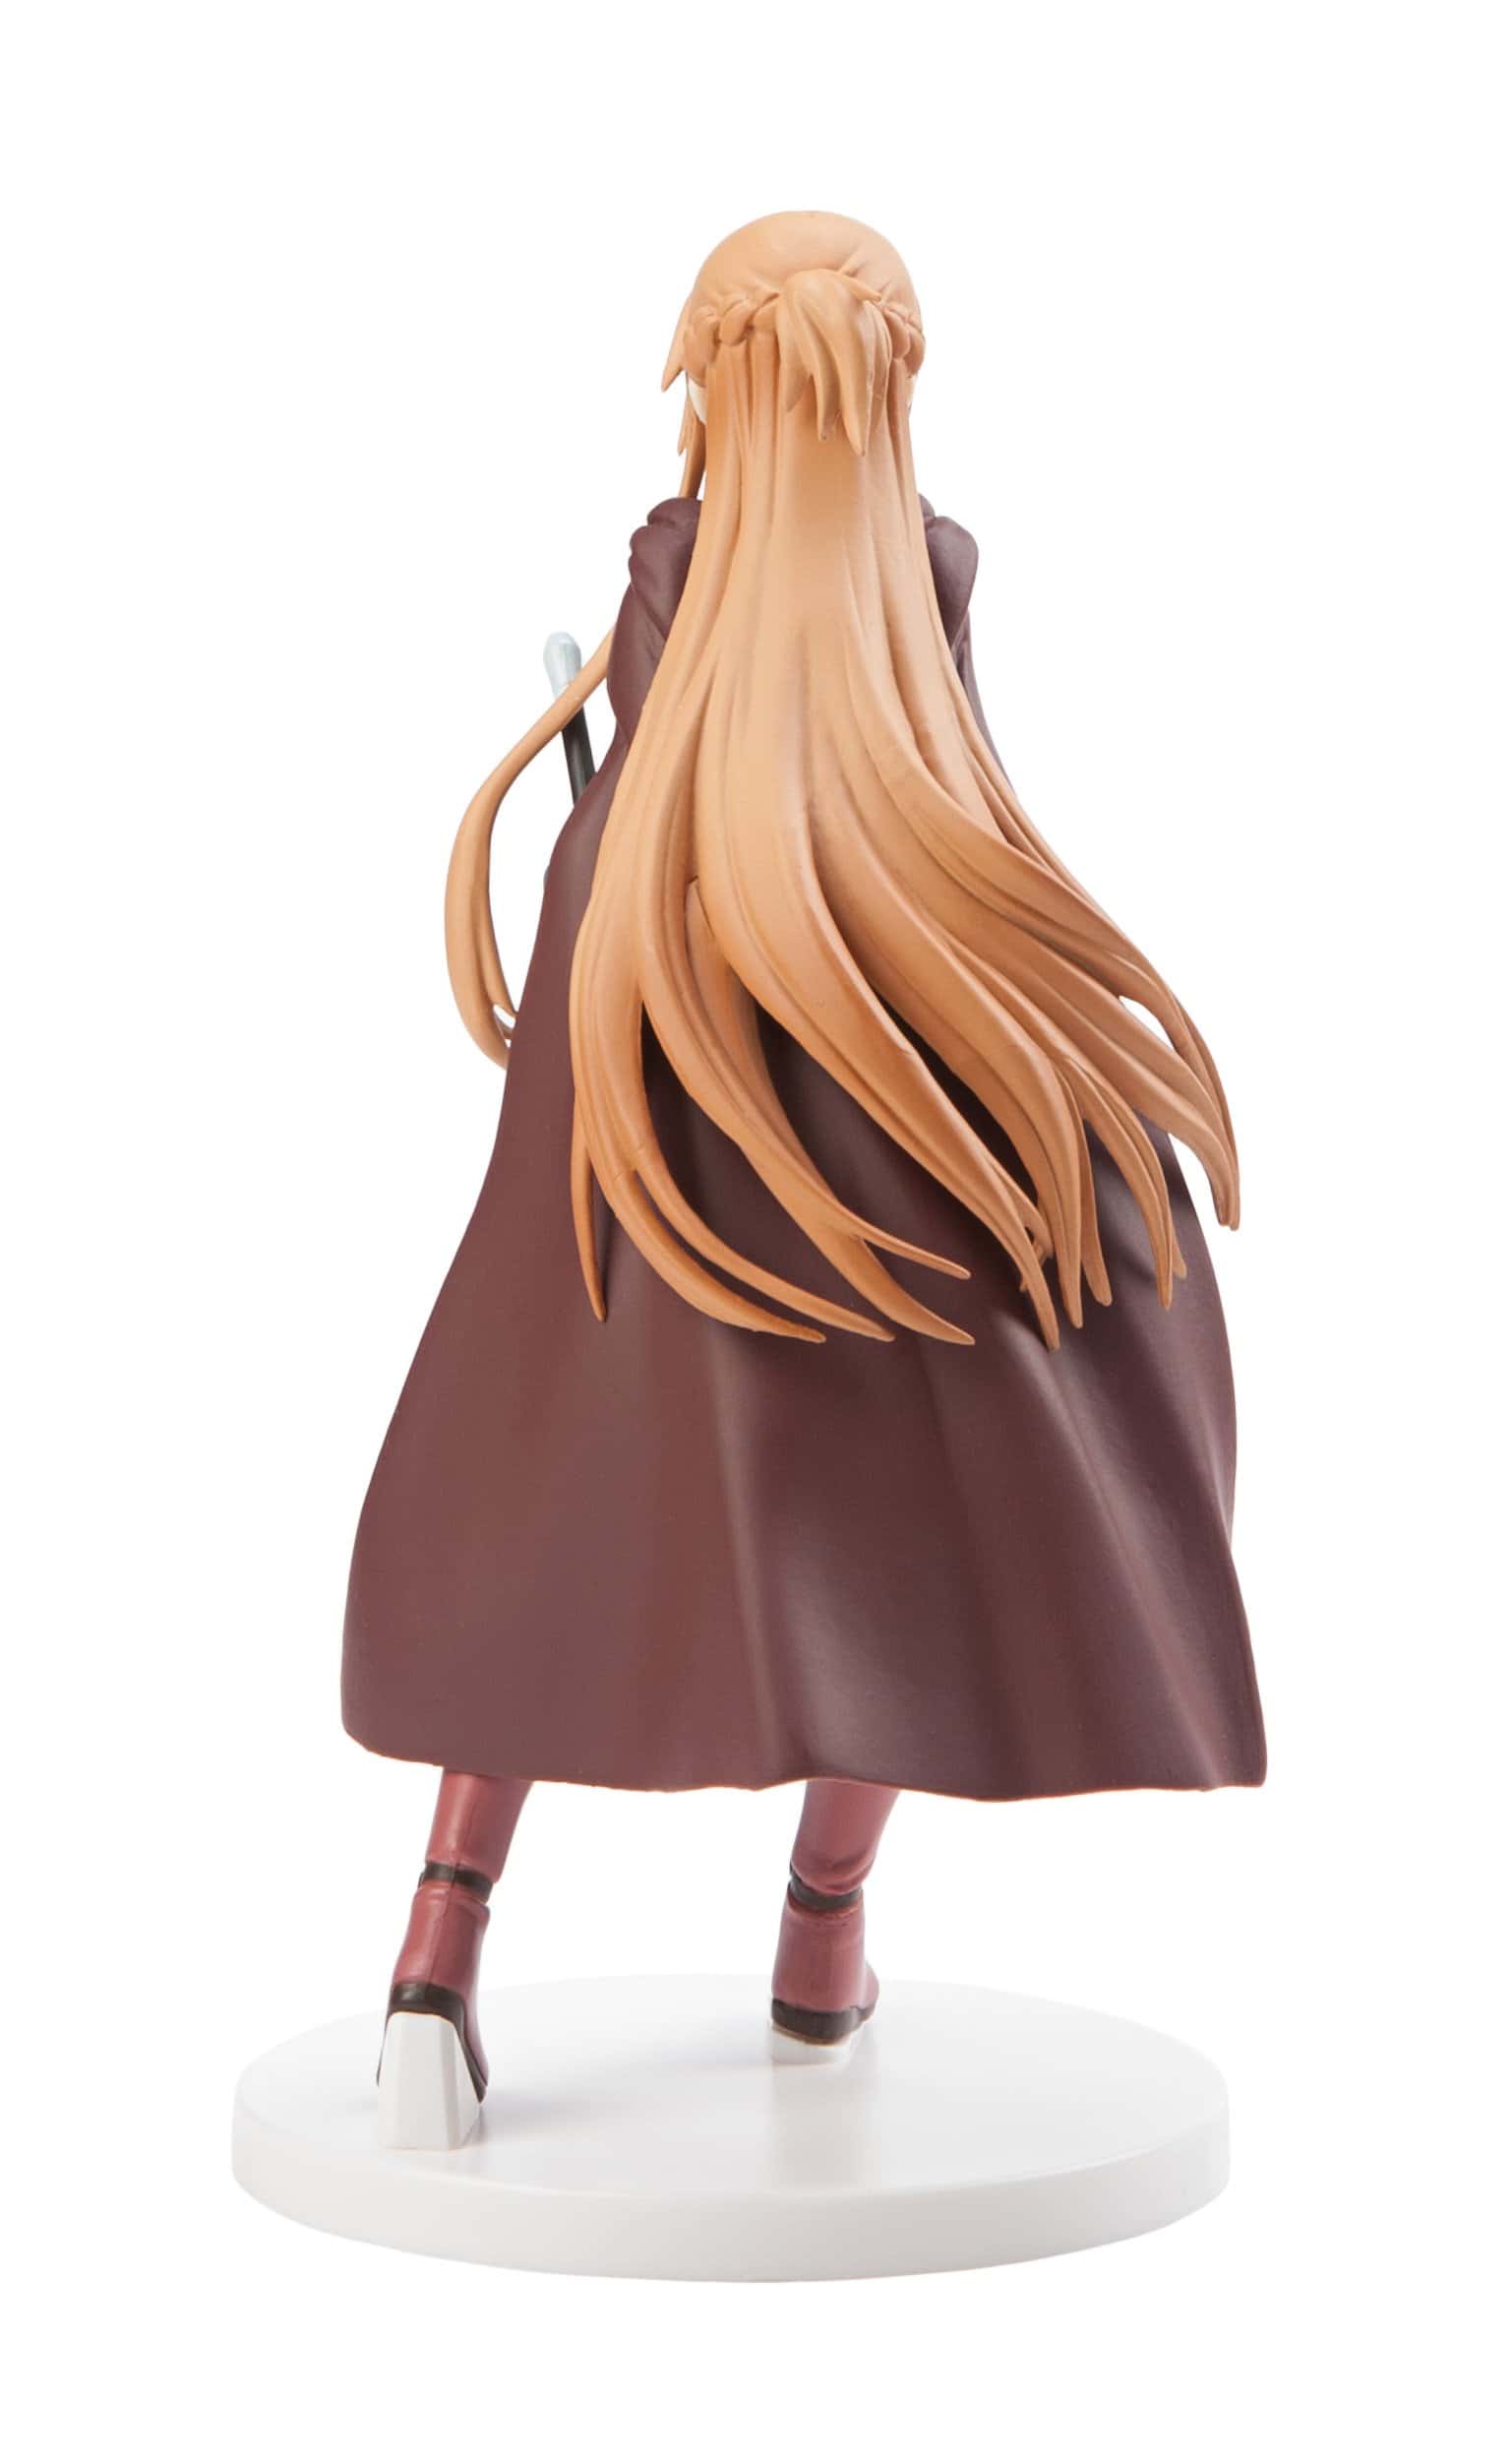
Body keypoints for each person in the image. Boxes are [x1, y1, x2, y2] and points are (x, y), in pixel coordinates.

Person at [343, 213, 1264, 2146]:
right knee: (930, 1522)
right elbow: (940, 807)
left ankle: (440, 1949)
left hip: (698, 1137)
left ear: (715, 388)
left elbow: (657, 832)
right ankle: (817, 1930)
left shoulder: (692, 562)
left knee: (545, 1520)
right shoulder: (909, 569)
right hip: (817, 1127)